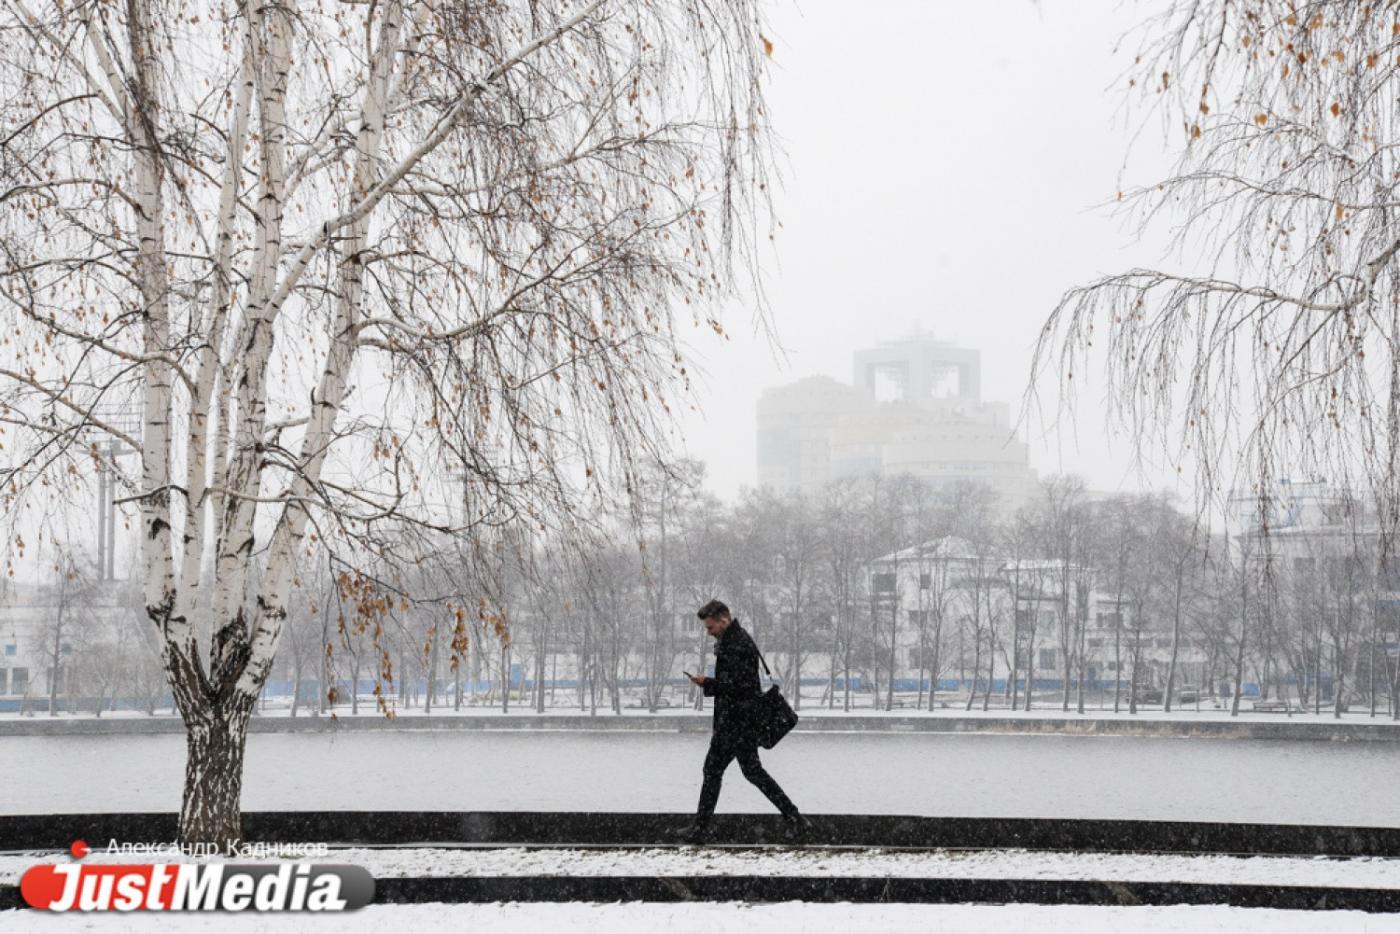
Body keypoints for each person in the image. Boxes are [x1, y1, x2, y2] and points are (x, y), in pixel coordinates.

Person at [672, 599, 811, 844]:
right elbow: (742, 686)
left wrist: (709, 683)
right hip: (740, 722)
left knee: (713, 771)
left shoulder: (737, 644)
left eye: (710, 627)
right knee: (753, 772)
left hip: (735, 723)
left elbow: (742, 687)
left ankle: (700, 829)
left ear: (723, 620)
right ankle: (795, 818)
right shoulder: (733, 640)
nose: (709, 632)